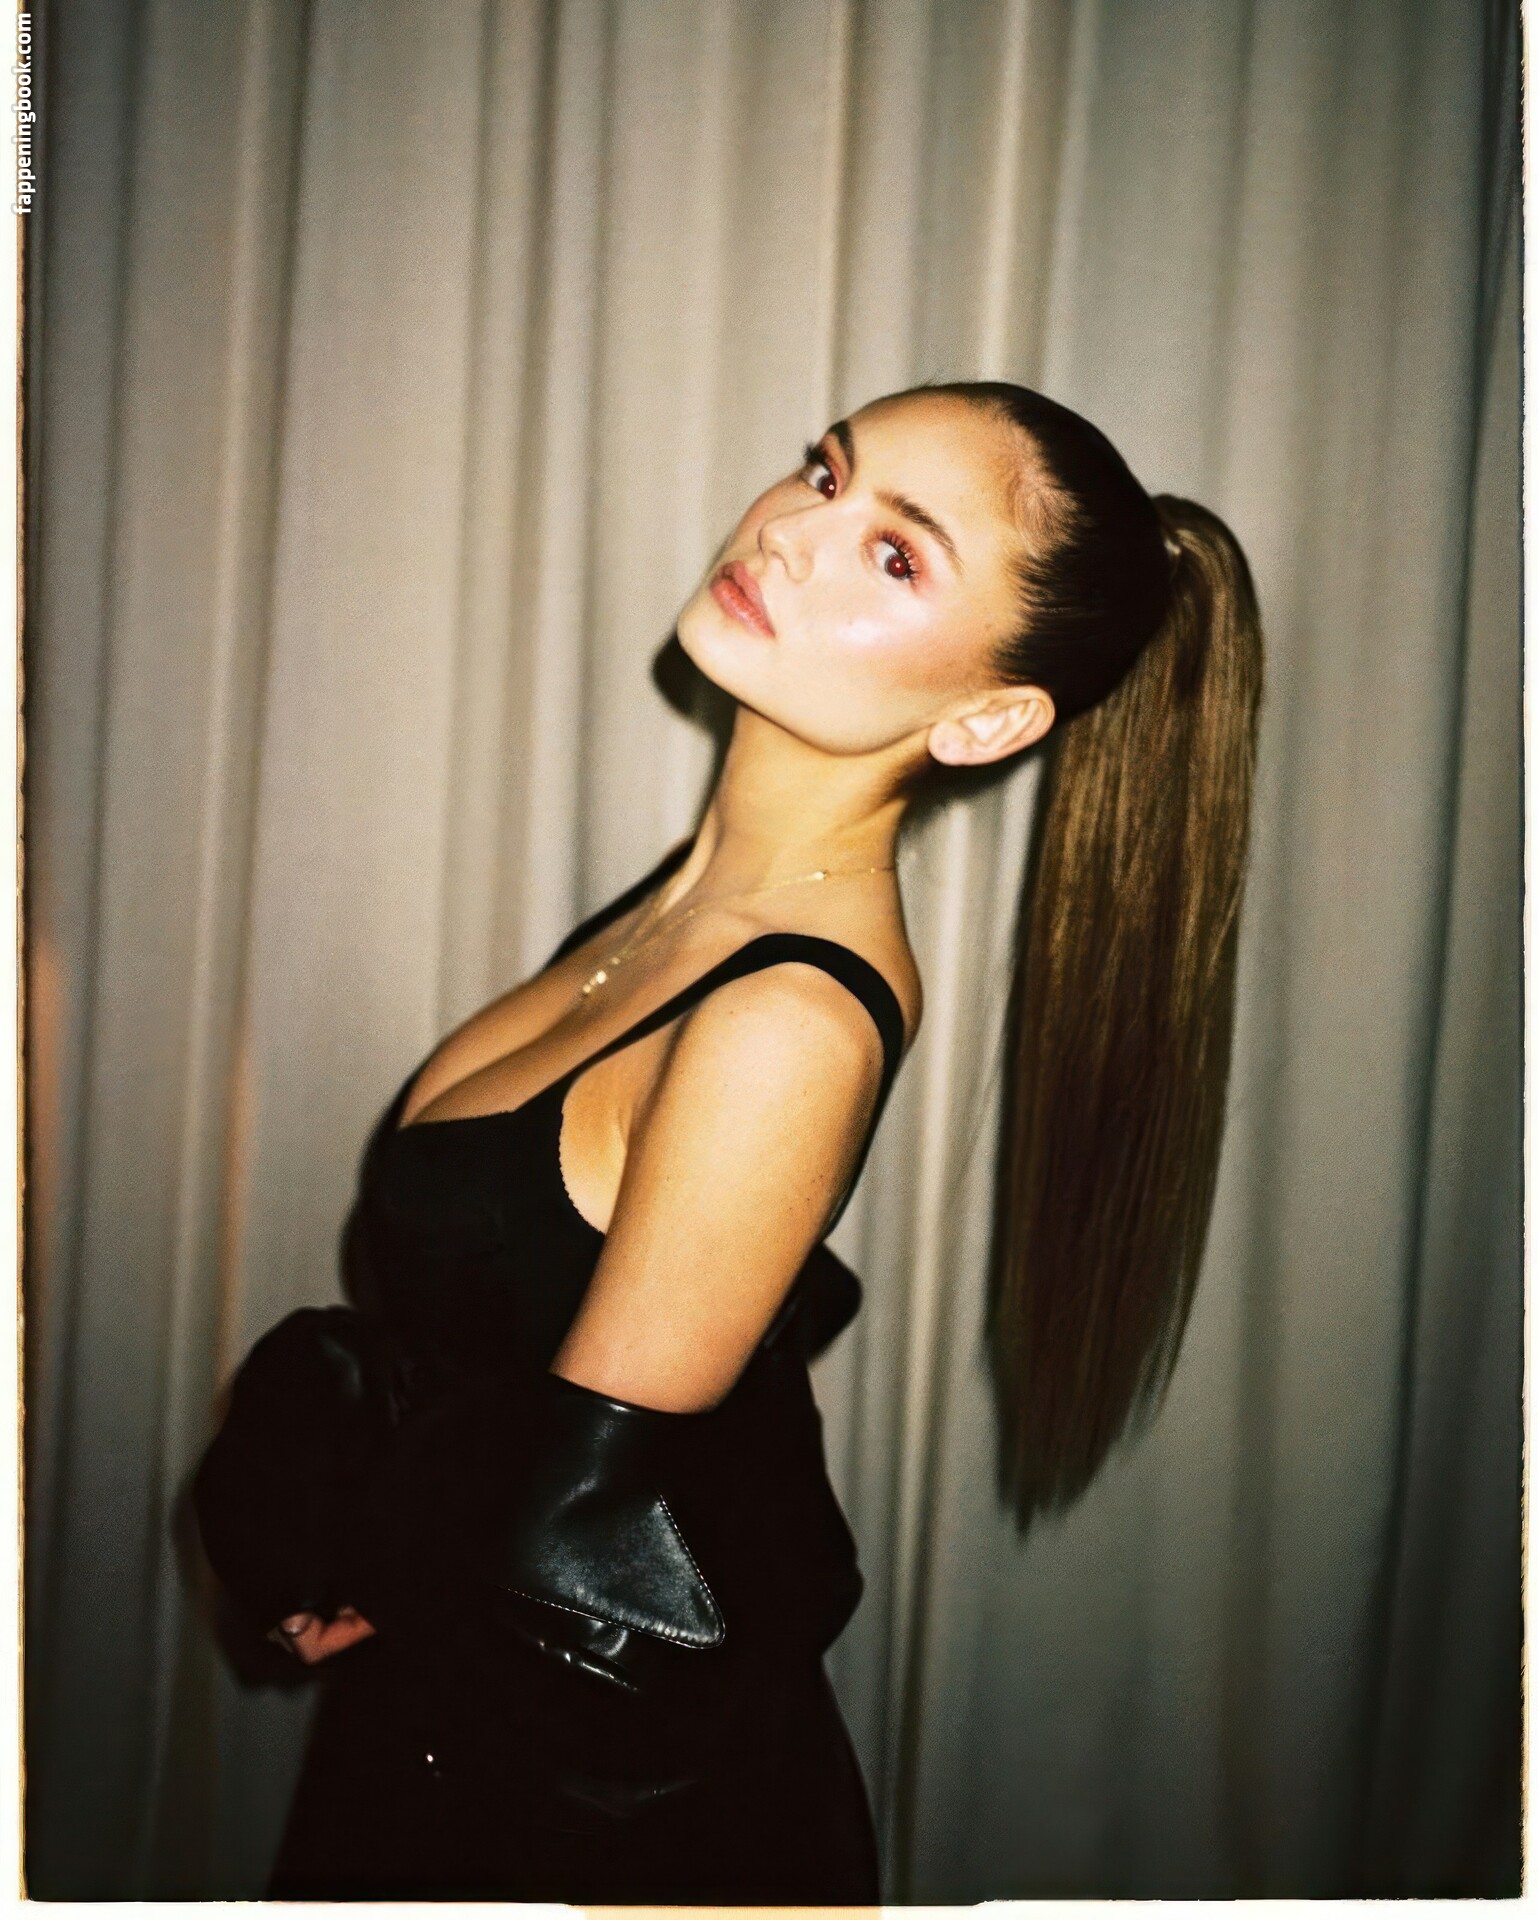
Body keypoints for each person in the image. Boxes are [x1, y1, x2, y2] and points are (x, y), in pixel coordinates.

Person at [192, 380, 1263, 1902]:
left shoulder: (787, 1020)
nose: (792, 531)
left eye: (896, 553)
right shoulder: (697, 903)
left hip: (593, 1823)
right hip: (463, 1733)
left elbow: (575, 1556)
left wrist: (387, 1534)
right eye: (825, 473)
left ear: (986, 718)